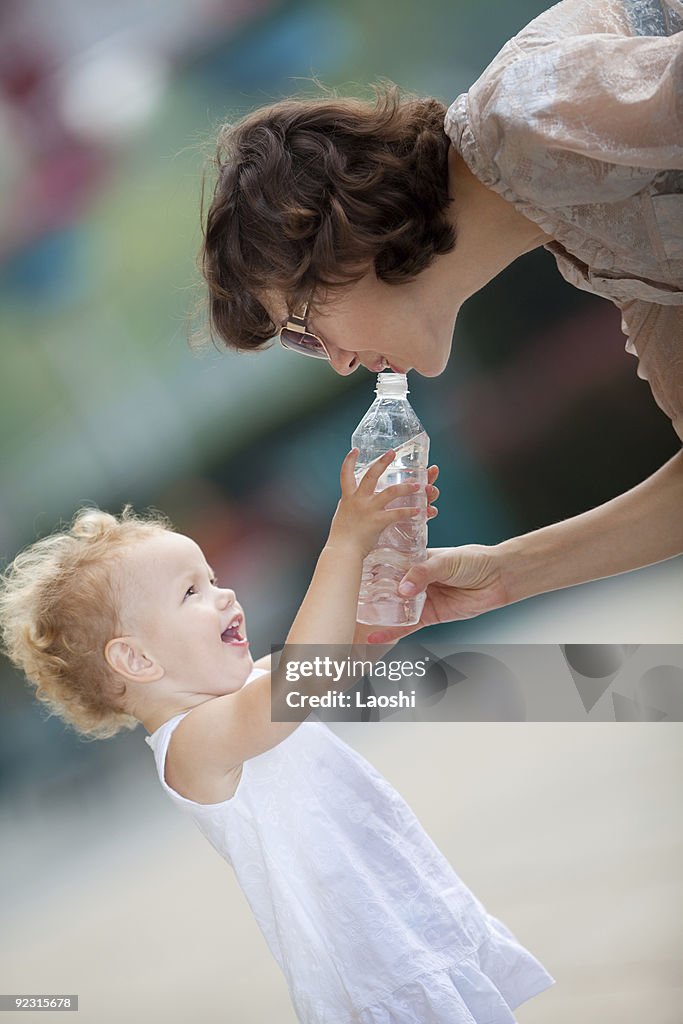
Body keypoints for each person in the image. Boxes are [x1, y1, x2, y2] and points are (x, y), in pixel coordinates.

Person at [0, 450, 554, 1024]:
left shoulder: (249, 692)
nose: (225, 595)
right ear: (136, 659)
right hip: (372, 969)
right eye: (190, 592)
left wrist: (391, 589)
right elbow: (302, 681)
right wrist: (342, 543)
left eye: (212, 578)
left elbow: (340, 657)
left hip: (407, 918)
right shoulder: (191, 746)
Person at [199, 0, 683, 644]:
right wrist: (507, 574)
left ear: (340, 241)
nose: (337, 360)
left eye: (302, 325)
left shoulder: (527, 117)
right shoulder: (598, 248)